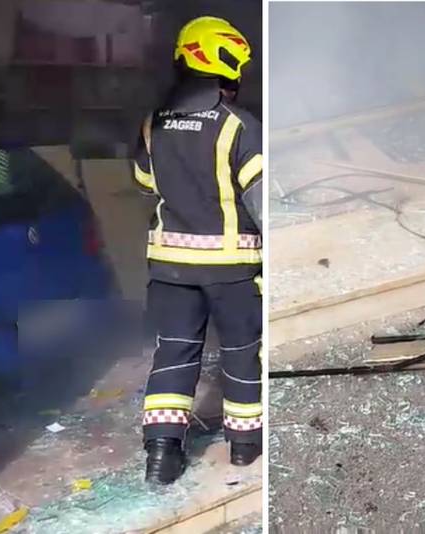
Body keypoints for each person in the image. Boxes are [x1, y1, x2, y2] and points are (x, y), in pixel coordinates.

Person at [133, 16, 264, 485]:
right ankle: (246, 449)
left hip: (170, 266)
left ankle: (162, 457)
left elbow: (146, 183)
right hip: (231, 269)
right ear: (228, 69)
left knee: (174, 354)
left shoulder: (153, 124)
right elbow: (262, 200)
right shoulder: (240, 127)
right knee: (241, 352)